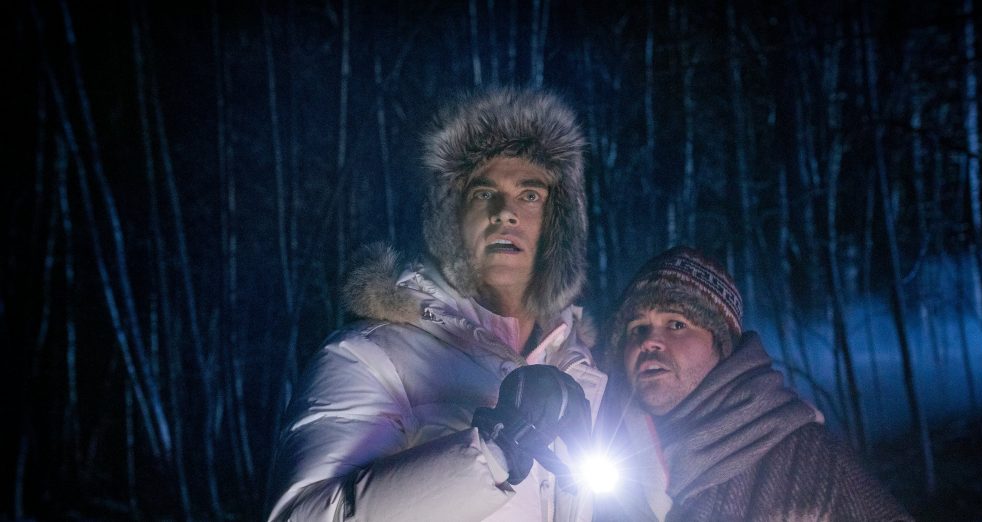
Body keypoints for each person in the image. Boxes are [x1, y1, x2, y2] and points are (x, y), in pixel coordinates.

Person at [266, 88, 607, 521]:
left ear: (558, 224)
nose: (505, 212)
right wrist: (496, 451)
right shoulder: (371, 354)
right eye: (483, 193)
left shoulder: (578, 366)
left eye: (530, 195)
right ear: (452, 219)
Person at [601, 246, 911, 521]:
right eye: (637, 328)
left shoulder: (808, 461)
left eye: (677, 324)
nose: (649, 341)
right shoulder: (605, 455)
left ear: (721, 345)